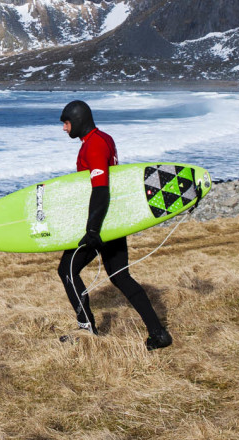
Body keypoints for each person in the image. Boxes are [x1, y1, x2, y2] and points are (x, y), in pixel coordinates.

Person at [57, 99, 173, 350]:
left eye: (66, 123)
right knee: (120, 276)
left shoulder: (95, 145)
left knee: (67, 270)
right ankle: (158, 333)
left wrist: (92, 230)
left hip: (102, 223)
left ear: (77, 120)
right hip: (113, 219)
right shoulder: (104, 138)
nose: (64, 128)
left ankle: (86, 330)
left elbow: (101, 189)